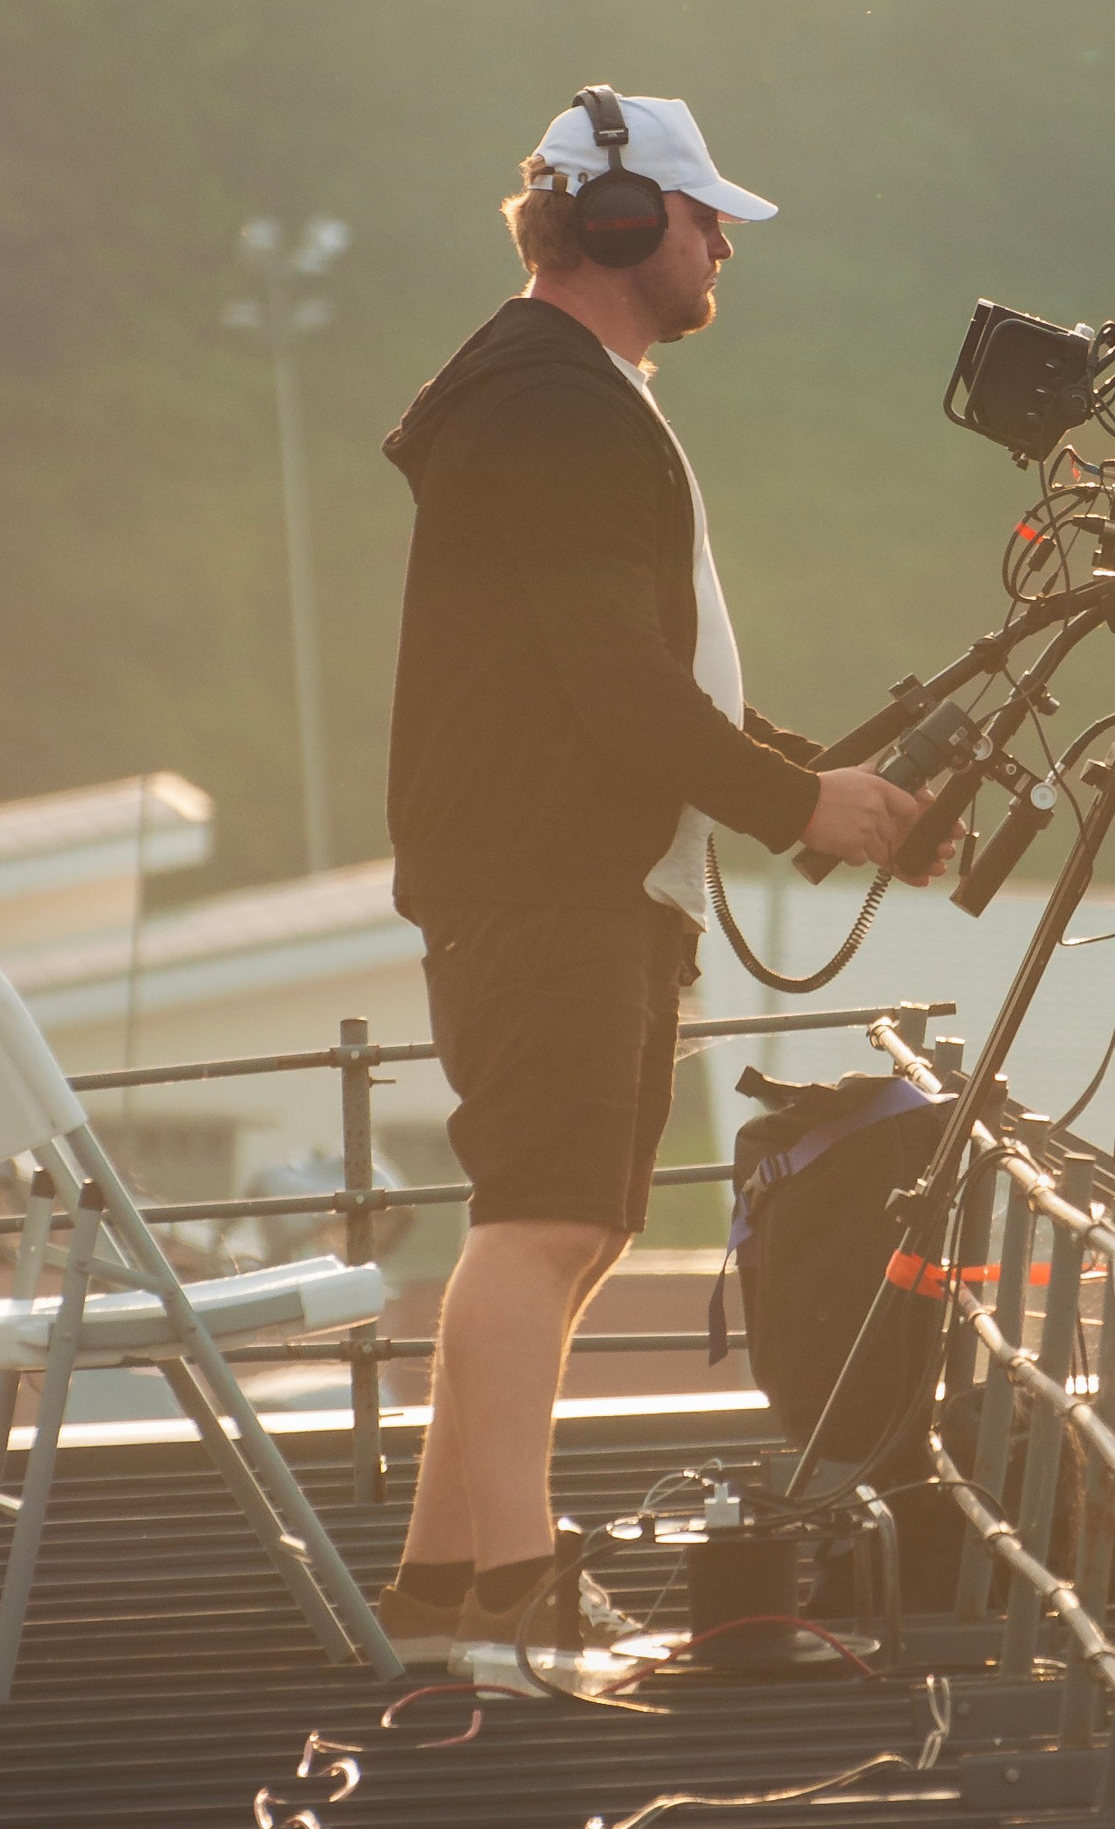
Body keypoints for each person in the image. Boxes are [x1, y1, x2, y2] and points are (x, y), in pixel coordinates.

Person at [372, 90, 926, 1672]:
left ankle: (443, 1592)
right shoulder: (557, 408)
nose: (722, 246)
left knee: (567, 1230)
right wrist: (790, 801)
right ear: (623, 227)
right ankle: (517, 1602)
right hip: (554, 883)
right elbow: (615, 683)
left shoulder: (557, 397)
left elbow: (633, 670)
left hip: (571, 876)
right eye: (702, 220)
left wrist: (830, 795)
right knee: (539, 1226)